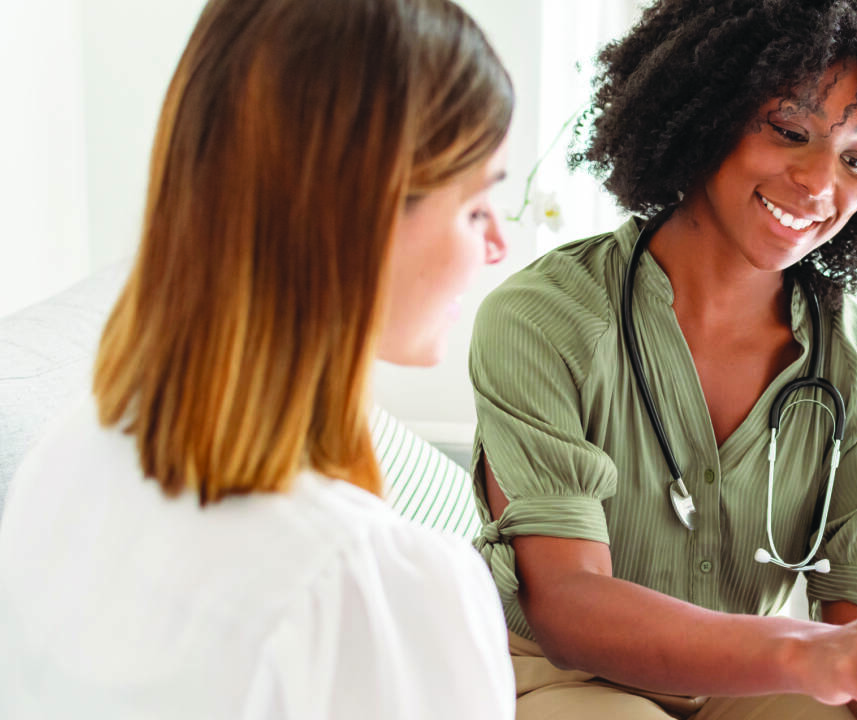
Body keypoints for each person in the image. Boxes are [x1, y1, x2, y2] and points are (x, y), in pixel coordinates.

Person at [468, 1, 857, 719]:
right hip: (558, 675)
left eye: (856, 158)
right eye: (790, 131)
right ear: (708, 114)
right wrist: (803, 653)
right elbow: (566, 606)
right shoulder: (542, 320)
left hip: (745, 682)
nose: (820, 183)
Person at [0, 0, 515, 717]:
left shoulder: (63, 465)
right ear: (355, 221)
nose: (498, 247)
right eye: (475, 209)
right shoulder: (379, 588)